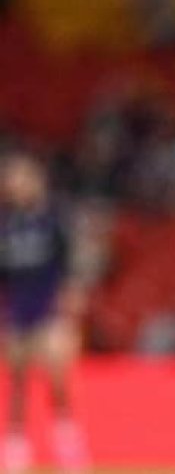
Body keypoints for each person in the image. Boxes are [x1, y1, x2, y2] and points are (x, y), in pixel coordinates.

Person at [0, 150, 90, 473]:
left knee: (57, 376)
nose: (16, 184)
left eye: (22, 177)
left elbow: (71, 262)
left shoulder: (53, 220)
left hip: (49, 309)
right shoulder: (5, 225)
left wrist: (71, 297)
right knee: (17, 380)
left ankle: (67, 440)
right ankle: (15, 443)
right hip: (17, 311)